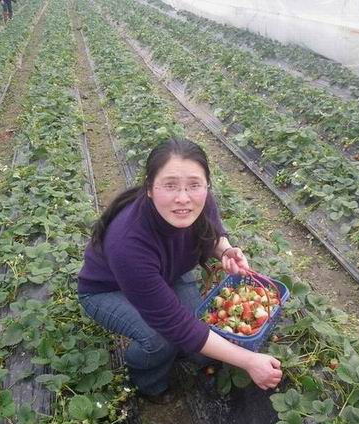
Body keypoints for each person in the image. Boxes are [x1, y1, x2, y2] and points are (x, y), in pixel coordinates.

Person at [78, 138, 282, 403]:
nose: (183, 198)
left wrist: (226, 251)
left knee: (201, 341)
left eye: (194, 185)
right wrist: (250, 361)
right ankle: (149, 383)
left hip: (166, 275)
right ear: (149, 188)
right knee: (161, 341)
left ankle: (186, 352)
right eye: (170, 185)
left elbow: (212, 234)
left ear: (206, 185)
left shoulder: (201, 202)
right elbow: (177, 325)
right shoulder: (127, 243)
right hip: (107, 290)